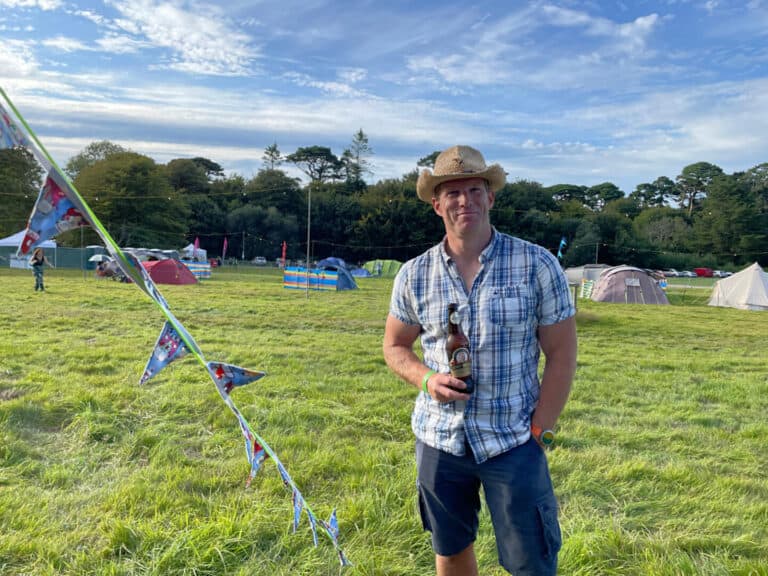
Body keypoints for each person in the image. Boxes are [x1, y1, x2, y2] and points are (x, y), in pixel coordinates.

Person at [382, 145, 577, 576]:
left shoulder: (536, 264)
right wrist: (427, 379)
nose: (464, 200)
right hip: (439, 440)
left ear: (490, 197)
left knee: (532, 562)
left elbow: (562, 353)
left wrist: (541, 428)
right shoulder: (413, 274)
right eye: (452, 192)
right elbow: (395, 347)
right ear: (436, 204)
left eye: (474, 189)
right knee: (450, 551)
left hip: (513, 439)